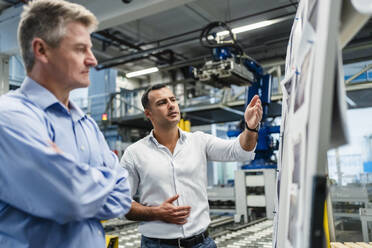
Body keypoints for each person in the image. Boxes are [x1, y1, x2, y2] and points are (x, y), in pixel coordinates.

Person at [0, 0, 132, 247]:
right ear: (42, 50)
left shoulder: (87, 124)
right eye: (81, 49)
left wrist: (74, 175)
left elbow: (123, 197)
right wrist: (104, 179)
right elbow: (71, 198)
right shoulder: (8, 117)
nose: (92, 60)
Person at [121, 83, 262, 248]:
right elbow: (121, 203)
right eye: (162, 102)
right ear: (148, 113)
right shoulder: (134, 153)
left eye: (173, 99)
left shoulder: (199, 141)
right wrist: (156, 213)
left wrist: (251, 128)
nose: (171, 105)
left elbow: (239, 152)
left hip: (202, 243)